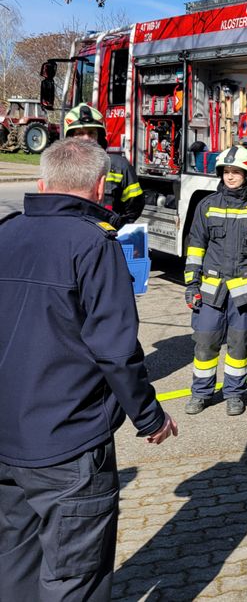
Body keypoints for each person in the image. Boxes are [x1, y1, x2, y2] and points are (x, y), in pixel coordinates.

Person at [0, 139, 177, 601]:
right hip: (69, 444)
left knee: (13, 566)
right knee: (73, 577)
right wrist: (150, 417)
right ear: (101, 187)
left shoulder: (4, 234)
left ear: (42, 182)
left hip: (5, 441)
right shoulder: (95, 245)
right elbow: (116, 352)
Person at [183, 145, 247, 416]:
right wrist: (191, 284)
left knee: (239, 345)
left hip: (244, 293)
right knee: (205, 342)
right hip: (212, 289)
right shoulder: (207, 205)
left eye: (236, 171)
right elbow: (195, 248)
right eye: (226, 171)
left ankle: (234, 394)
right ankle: (201, 394)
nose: (230, 176)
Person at [63, 103, 145, 227]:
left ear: (99, 137)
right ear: (70, 138)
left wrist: (116, 226)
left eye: (91, 133)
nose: (86, 138)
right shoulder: (59, 168)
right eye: (79, 133)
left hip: (105, 238)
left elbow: (134, 207)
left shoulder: (119, 167)